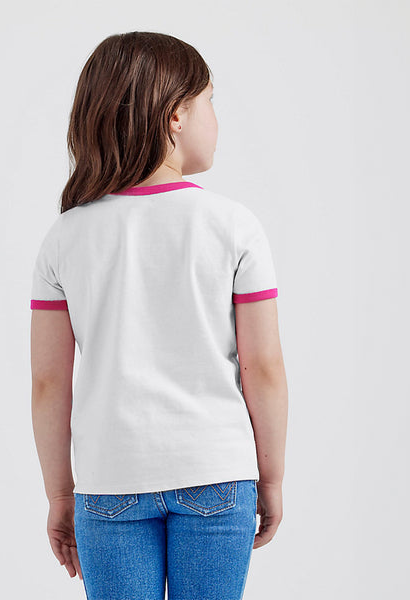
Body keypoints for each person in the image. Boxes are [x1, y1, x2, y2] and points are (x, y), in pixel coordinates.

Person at [30, 31, 288, 600]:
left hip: (109, 480)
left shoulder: (65, 237)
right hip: (217, 472)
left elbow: (49, 383)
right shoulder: (234, 226)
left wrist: (60, 494)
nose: (216, 117)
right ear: (176, 115)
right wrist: (270, 477)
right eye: (209, 101)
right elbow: (264, 368)